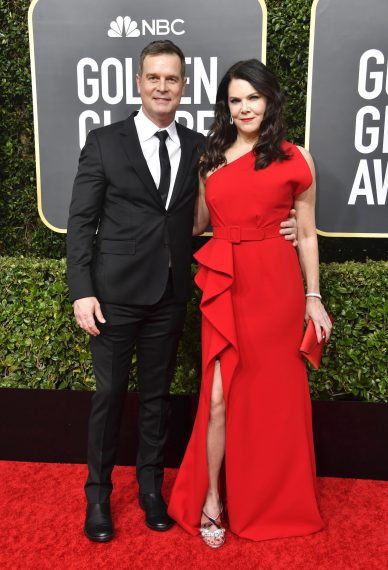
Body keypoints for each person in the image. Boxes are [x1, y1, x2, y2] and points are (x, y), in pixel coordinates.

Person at [66, 42, 298, 543]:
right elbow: (81, 222)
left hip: (171, 293)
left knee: (156, 397)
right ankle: (99, 496)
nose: (163, 87)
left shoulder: (202, 147)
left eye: (172, 79)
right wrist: (82, 291)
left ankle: (151, 490)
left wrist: (286, 225)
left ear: (184, 86)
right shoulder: (105, 141)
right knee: (109, 395)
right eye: (154, 78)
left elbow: (234, 203)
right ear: (139, 82)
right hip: (114, 295)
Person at [168, 59, 333, 547]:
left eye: (253, 98)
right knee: (218, 397)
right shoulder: (210, 157)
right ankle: (213, 499)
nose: (244, 108)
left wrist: (314, 297)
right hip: (226, 284)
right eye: (235, 99)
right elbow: (197, 222)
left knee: (274, 401)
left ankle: (275, 501)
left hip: (276, 288)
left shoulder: (296, 157)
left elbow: (305, 233)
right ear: (227, 105)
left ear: (270, 100)